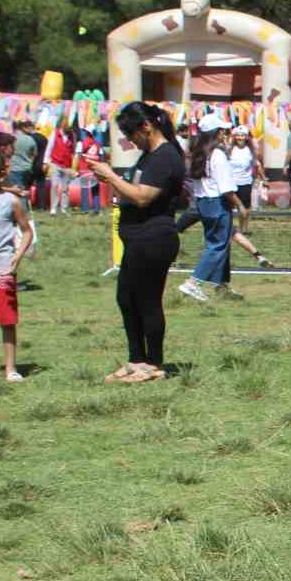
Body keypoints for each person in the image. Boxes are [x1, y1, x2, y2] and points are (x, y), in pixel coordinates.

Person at [85, 102, 186, 383]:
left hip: (154, 238)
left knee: (148, 301)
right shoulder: (149, 156)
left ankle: (153, 364)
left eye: (132, 135)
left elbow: (143, 196)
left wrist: (110, 176)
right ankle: (135, 360)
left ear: (146, 126)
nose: (131, 142)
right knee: (127, 299)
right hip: (137, 238)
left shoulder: (165, 157)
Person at [180, 113, 239, 303]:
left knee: (218, 244)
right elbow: (226, 187)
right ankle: (193, 282)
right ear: (217, 133)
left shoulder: (198, 153)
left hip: (203, 202)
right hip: (218, 202)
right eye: (223, 130)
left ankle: (220, 284)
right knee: (218, 246)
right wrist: (241, 206)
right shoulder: (218, 154)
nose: (225, 134)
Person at [0, 155, 35, 381]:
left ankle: (10, 368)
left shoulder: (10, 201)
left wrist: (16, 257)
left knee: (7, 320)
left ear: (0, 176)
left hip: (2, 269)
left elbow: (26, 230)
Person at [44, 123, 76, 215]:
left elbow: (73, 151)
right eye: (69, 127)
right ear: (63, 126)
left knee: (65, 188)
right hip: (55, 163)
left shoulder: (72, 136)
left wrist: (74, 168)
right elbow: (49, 148)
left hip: (67, 165)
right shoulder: (55, 133)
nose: (70, 129)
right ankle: (53, 208)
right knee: (54, 185)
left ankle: (64, 209)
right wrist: (45, 162)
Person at [76, 127, 104, 214]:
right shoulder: (98, 144)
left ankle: (85, 209)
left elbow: (78, 156)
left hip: (84, 169)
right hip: (95, 170)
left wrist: (77, 169)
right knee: (95, 190)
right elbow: (101, 157)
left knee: (84, 190)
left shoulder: (81, 143)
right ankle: (97, 209)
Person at [8, 121, 36, 195]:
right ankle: (25, 205)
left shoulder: (12, 138)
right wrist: (30, 163)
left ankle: (21, 205)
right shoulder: (31, 139)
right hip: (27, 168)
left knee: (17, 192)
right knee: (25, 191)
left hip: (14, 167)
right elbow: (34, 154)